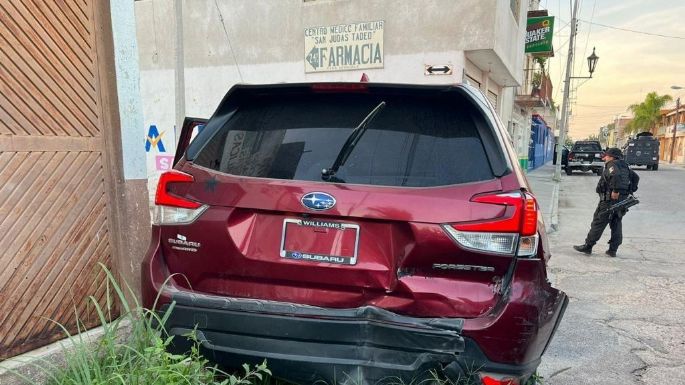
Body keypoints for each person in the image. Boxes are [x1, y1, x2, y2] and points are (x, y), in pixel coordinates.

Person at [573, 147, 631, 257]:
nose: (604, 158)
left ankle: (588, 246)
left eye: (607, 156)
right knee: (616, 222)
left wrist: (616, 190)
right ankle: (613, 250)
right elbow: (635, 178)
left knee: (599, 222)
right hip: (621, 201)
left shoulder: (612, 164)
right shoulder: (625, 165)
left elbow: (616, 175)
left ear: (612, 157)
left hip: (609, 200)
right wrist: (627, 191)